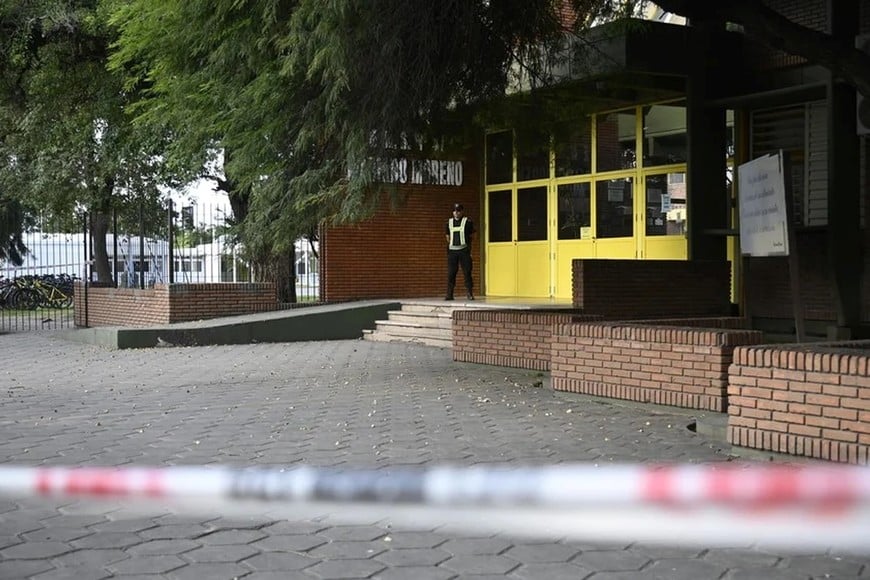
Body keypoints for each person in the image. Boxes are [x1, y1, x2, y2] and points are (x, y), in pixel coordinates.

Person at [445, 202, 474, 300]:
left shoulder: (468, 222)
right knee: (451, 273)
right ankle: (449, 294)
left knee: (467, 272)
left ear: (462, 211)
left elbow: (472, 235)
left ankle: (469, 293)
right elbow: (447, 236)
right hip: (452, 252)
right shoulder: (448, 222)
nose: (456, 213)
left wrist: (468, 247)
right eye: (454, 211)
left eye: (458, 211)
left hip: (464, 251)